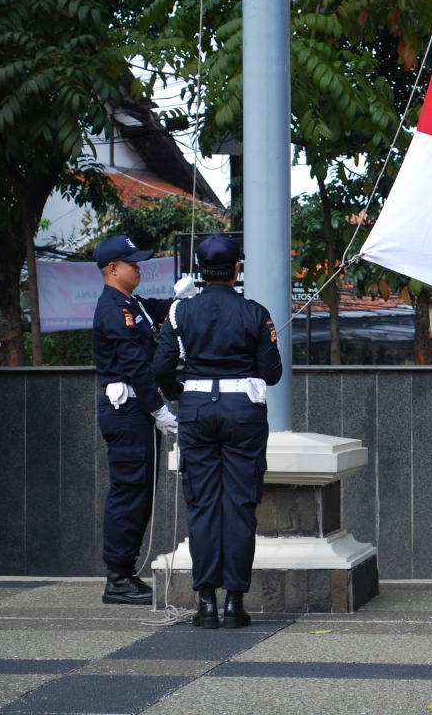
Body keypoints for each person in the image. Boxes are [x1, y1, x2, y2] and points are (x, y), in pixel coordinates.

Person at [152, 233, 283, 629]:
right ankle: (235, 603)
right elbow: (271, 373)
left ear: (200, 269)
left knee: (203, 504)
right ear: (236, 269)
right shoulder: (256, 312)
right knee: (241, 505)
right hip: (243, 413)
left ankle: (206, 603)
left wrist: (181, 394)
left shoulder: (179, 312)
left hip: (196, 411)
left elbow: (161, 367)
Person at [92, 234, 193, 605]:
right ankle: (118, 578)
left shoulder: (129, 303)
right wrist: (159, 409)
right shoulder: (113, 308)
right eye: (131, 263)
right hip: (128, 411)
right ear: (113, 268)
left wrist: (182, 299)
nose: (138, 268)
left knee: (138, 492)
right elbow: (135, 365)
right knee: (129, 492)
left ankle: (124, 572)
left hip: (136, 411)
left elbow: (160, 310)